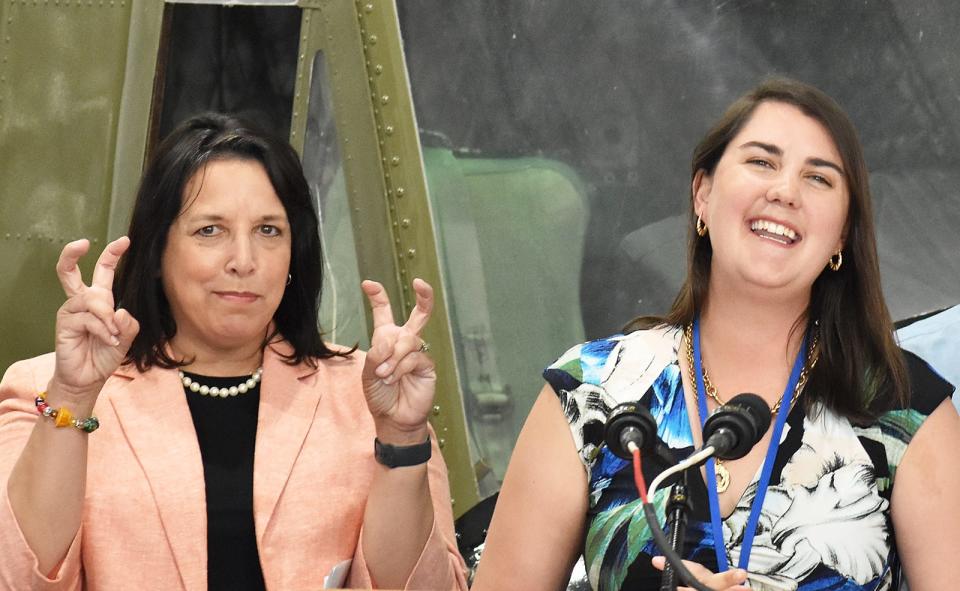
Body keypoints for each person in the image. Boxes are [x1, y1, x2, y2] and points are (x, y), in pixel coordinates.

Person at [473, 79, 960, 590]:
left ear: (841, 235)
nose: (785, 191)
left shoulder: (909, 410)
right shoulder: (592, 390)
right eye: (761, 162)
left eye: (818, 178)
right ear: (702, 194)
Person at [0, 113, 467, 590]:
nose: (244, 261)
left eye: (268, 231)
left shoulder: (370, 395)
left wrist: (401, 438)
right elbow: (17, 578)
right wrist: (73, 398)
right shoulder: (44, 390)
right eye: (210, 231)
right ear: (158, 252)